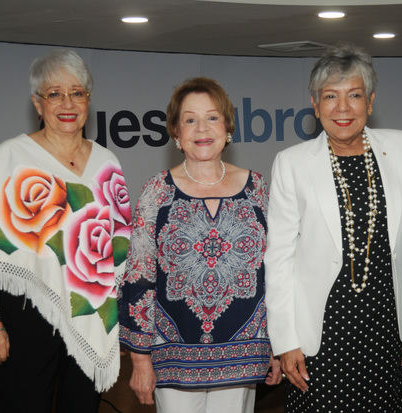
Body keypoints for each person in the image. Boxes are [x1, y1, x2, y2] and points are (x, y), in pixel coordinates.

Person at [0, 49, 132, 412]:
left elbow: (118, 247)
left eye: (77, 93)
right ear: (38, 104)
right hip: (27, 315)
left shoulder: (107, 162)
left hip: (89, 311)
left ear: (88, 100)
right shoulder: (12, 157)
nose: (67, 103)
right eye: (54, 94)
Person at [264, 44, 402, 412]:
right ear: (315, 103)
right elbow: (278, 259)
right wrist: (285, 340)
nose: (342, 108)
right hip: (321, 335)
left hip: (386, 329)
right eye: (330, 96)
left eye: (354, 95)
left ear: (370, 102)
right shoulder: (292, 163)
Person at [118, 77, 281, 413]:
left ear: (228, 126)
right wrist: (139, 359)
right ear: (176, 133)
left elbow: (275, 274)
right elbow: (139, 277)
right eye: (190, 119)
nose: (201, 129)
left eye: (212, 117)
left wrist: (279, 345)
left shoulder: (259, 189)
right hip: (173, 358)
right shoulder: (156, 192)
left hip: (243, 358)